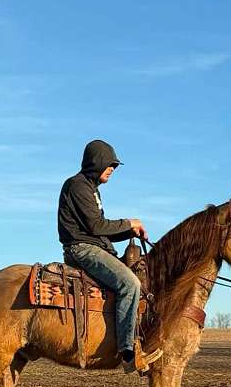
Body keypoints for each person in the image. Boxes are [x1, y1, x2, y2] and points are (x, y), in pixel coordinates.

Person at [58, 139, 163, 373]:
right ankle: (127, 352)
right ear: (96, 162)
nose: (112, 170)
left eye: (115, 166)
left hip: (93, 245)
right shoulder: (78, 186)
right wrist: (129, 222)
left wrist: (129, 231)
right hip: (81, 249)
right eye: (110, 164)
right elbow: (96, 226)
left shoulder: (90, 189)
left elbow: (99, 229)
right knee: (130, 283)